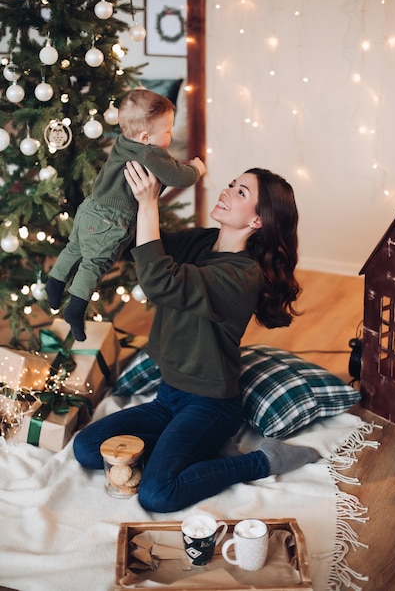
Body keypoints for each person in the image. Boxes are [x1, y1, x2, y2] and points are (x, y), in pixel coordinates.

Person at [73, 163, 320, 513]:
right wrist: (116, 198)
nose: (227, 191)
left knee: (158, 493)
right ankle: (184, 449)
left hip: (210, 405)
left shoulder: (242, 275)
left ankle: (264, 460)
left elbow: (160, 282)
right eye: (232, 183)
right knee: (87, 448)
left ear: (257, 221)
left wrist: (149, 204)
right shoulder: (203, 241)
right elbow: (140, 248)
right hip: (168, 396)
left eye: (241, 192)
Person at [45, 89, 205, 341]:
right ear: (145, 136)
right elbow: (177, 175)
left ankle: (54, 285)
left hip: (90, 207)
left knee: (74, 247)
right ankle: (75, 309)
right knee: (93, 264)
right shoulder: (149, 152)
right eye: (167, 131)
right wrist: (196, 169)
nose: (171, 135)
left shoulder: (124, 141)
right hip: (109, 221)